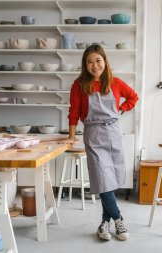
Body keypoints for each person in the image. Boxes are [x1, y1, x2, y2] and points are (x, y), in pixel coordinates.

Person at [61, 44, 138, 241]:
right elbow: (74, 112)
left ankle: (104, 222)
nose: (94, 65)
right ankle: (119, 219)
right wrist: (71, 136)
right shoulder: (79, 85)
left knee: (109, 179)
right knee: (102, 179)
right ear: (84, 65)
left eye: (98, 61)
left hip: (113, 133)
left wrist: (121, 110)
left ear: (105, 62)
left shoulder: (116, 83)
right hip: (93, 134)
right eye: (89, 62)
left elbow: (133, 97)